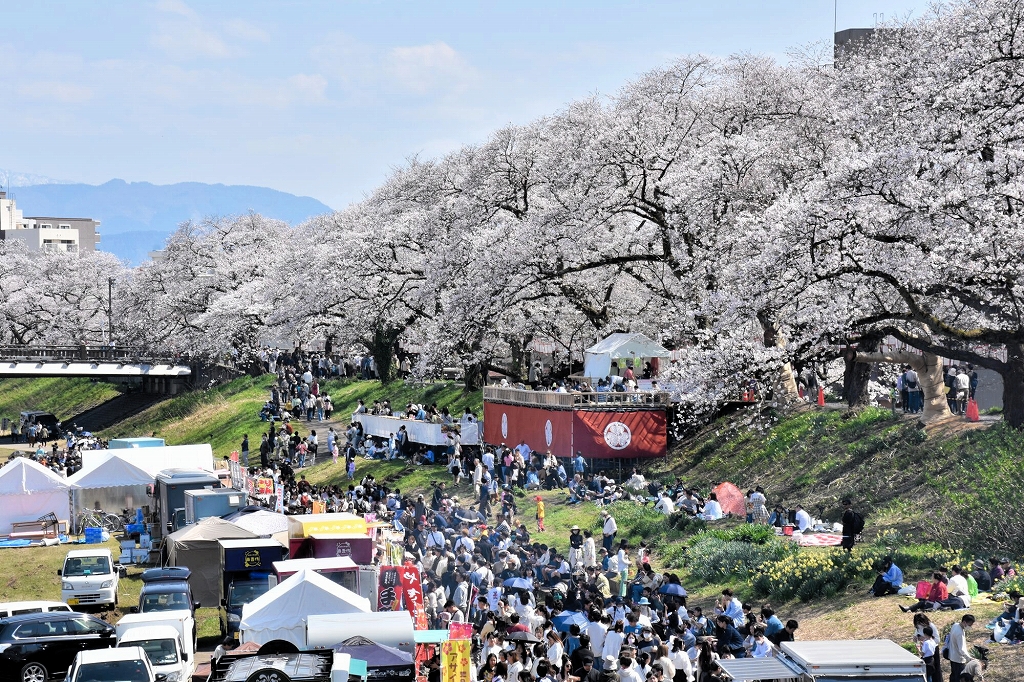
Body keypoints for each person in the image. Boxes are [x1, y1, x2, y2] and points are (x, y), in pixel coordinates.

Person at [947, 614, 976, 682]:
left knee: (953, 675)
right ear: (964, 622)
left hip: (952, 656)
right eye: (970, 625)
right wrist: (969, 658)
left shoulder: (955, 625)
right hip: (958, 659)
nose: (970, 626)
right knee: (960, 678)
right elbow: (962, 649)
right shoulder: (959, 633)